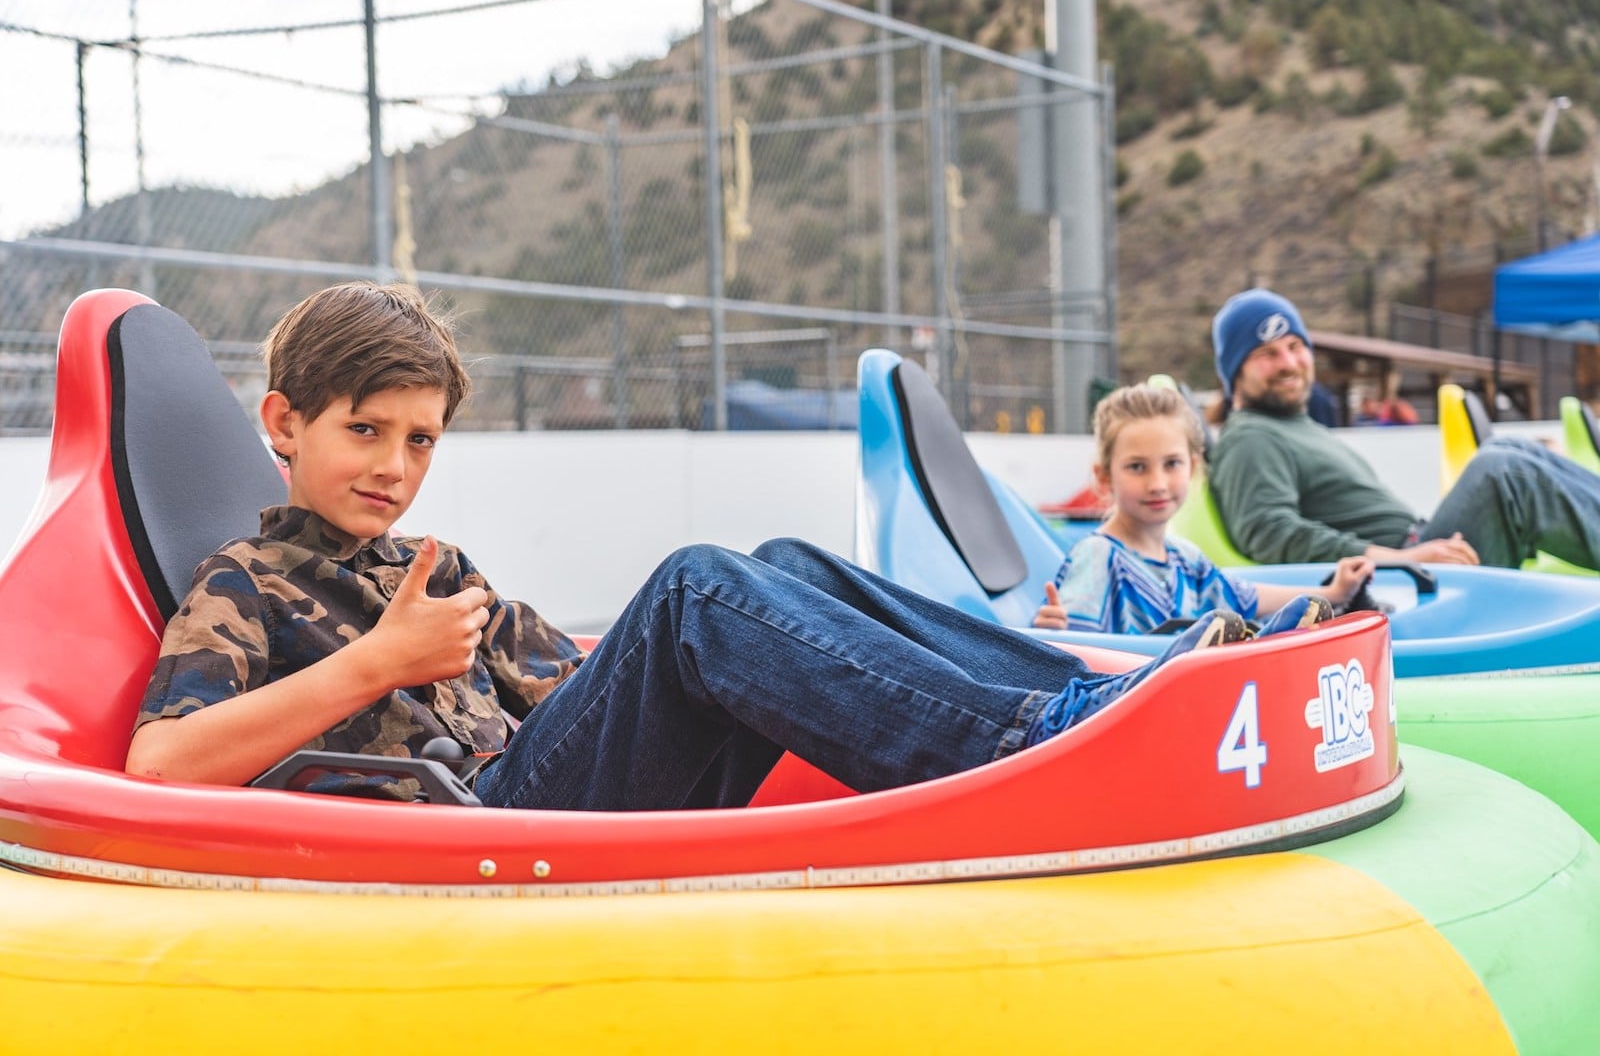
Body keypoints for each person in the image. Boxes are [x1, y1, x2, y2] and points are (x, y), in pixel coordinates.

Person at [126, 281, 1255, 811]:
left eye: (419, 439)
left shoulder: (439, 572)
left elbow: (581, 690)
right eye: (362, 431)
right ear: (283, 425)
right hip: (479, 829)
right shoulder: (247, 580)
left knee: (783, 567)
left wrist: (752, 652)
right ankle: (1032, 747)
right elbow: (162, 763)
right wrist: (374, 664)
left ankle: (1090, 695)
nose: (393, 465)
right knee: (692, 589)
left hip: (552, 782)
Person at [1208, 287, 1600, 569]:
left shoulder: (1294, 426)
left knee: (1515, 451)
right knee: (1502, 471)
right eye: (1266, 354)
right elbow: (1268, 533)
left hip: (1417, 552)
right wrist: (1399, 558)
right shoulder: (1250, 436)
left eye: (1295, 346)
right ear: (1234, 371)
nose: (1288, 363)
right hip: (1404, 579)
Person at [1032, 383, 1371, 634]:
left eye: (1172, 464)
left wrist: (1333, 593)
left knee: (1277, 625)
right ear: (1105, 477)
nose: (1158, 483)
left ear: (1192, 469)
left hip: (1189, 701)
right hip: (1134, 703)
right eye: (1137, 467)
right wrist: (1053, 634)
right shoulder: (1098, 556)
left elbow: (1247, 597)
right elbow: (1074, 650)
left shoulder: (1185, 558)